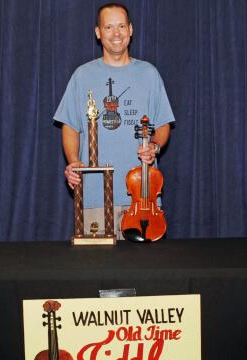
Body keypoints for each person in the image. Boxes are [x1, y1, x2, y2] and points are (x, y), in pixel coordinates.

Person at [54, 2, 175, 238]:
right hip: (95, 195)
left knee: (146, 272)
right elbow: (70, 125)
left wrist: (154, 146)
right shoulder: (82, 75)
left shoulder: (149, 74)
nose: (116, 33)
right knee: (97, 272)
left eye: (121, 26)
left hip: (143, 195)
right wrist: (73, 161)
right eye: (108, 27)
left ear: (131, 29)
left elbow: (163, 124)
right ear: (98, 33)